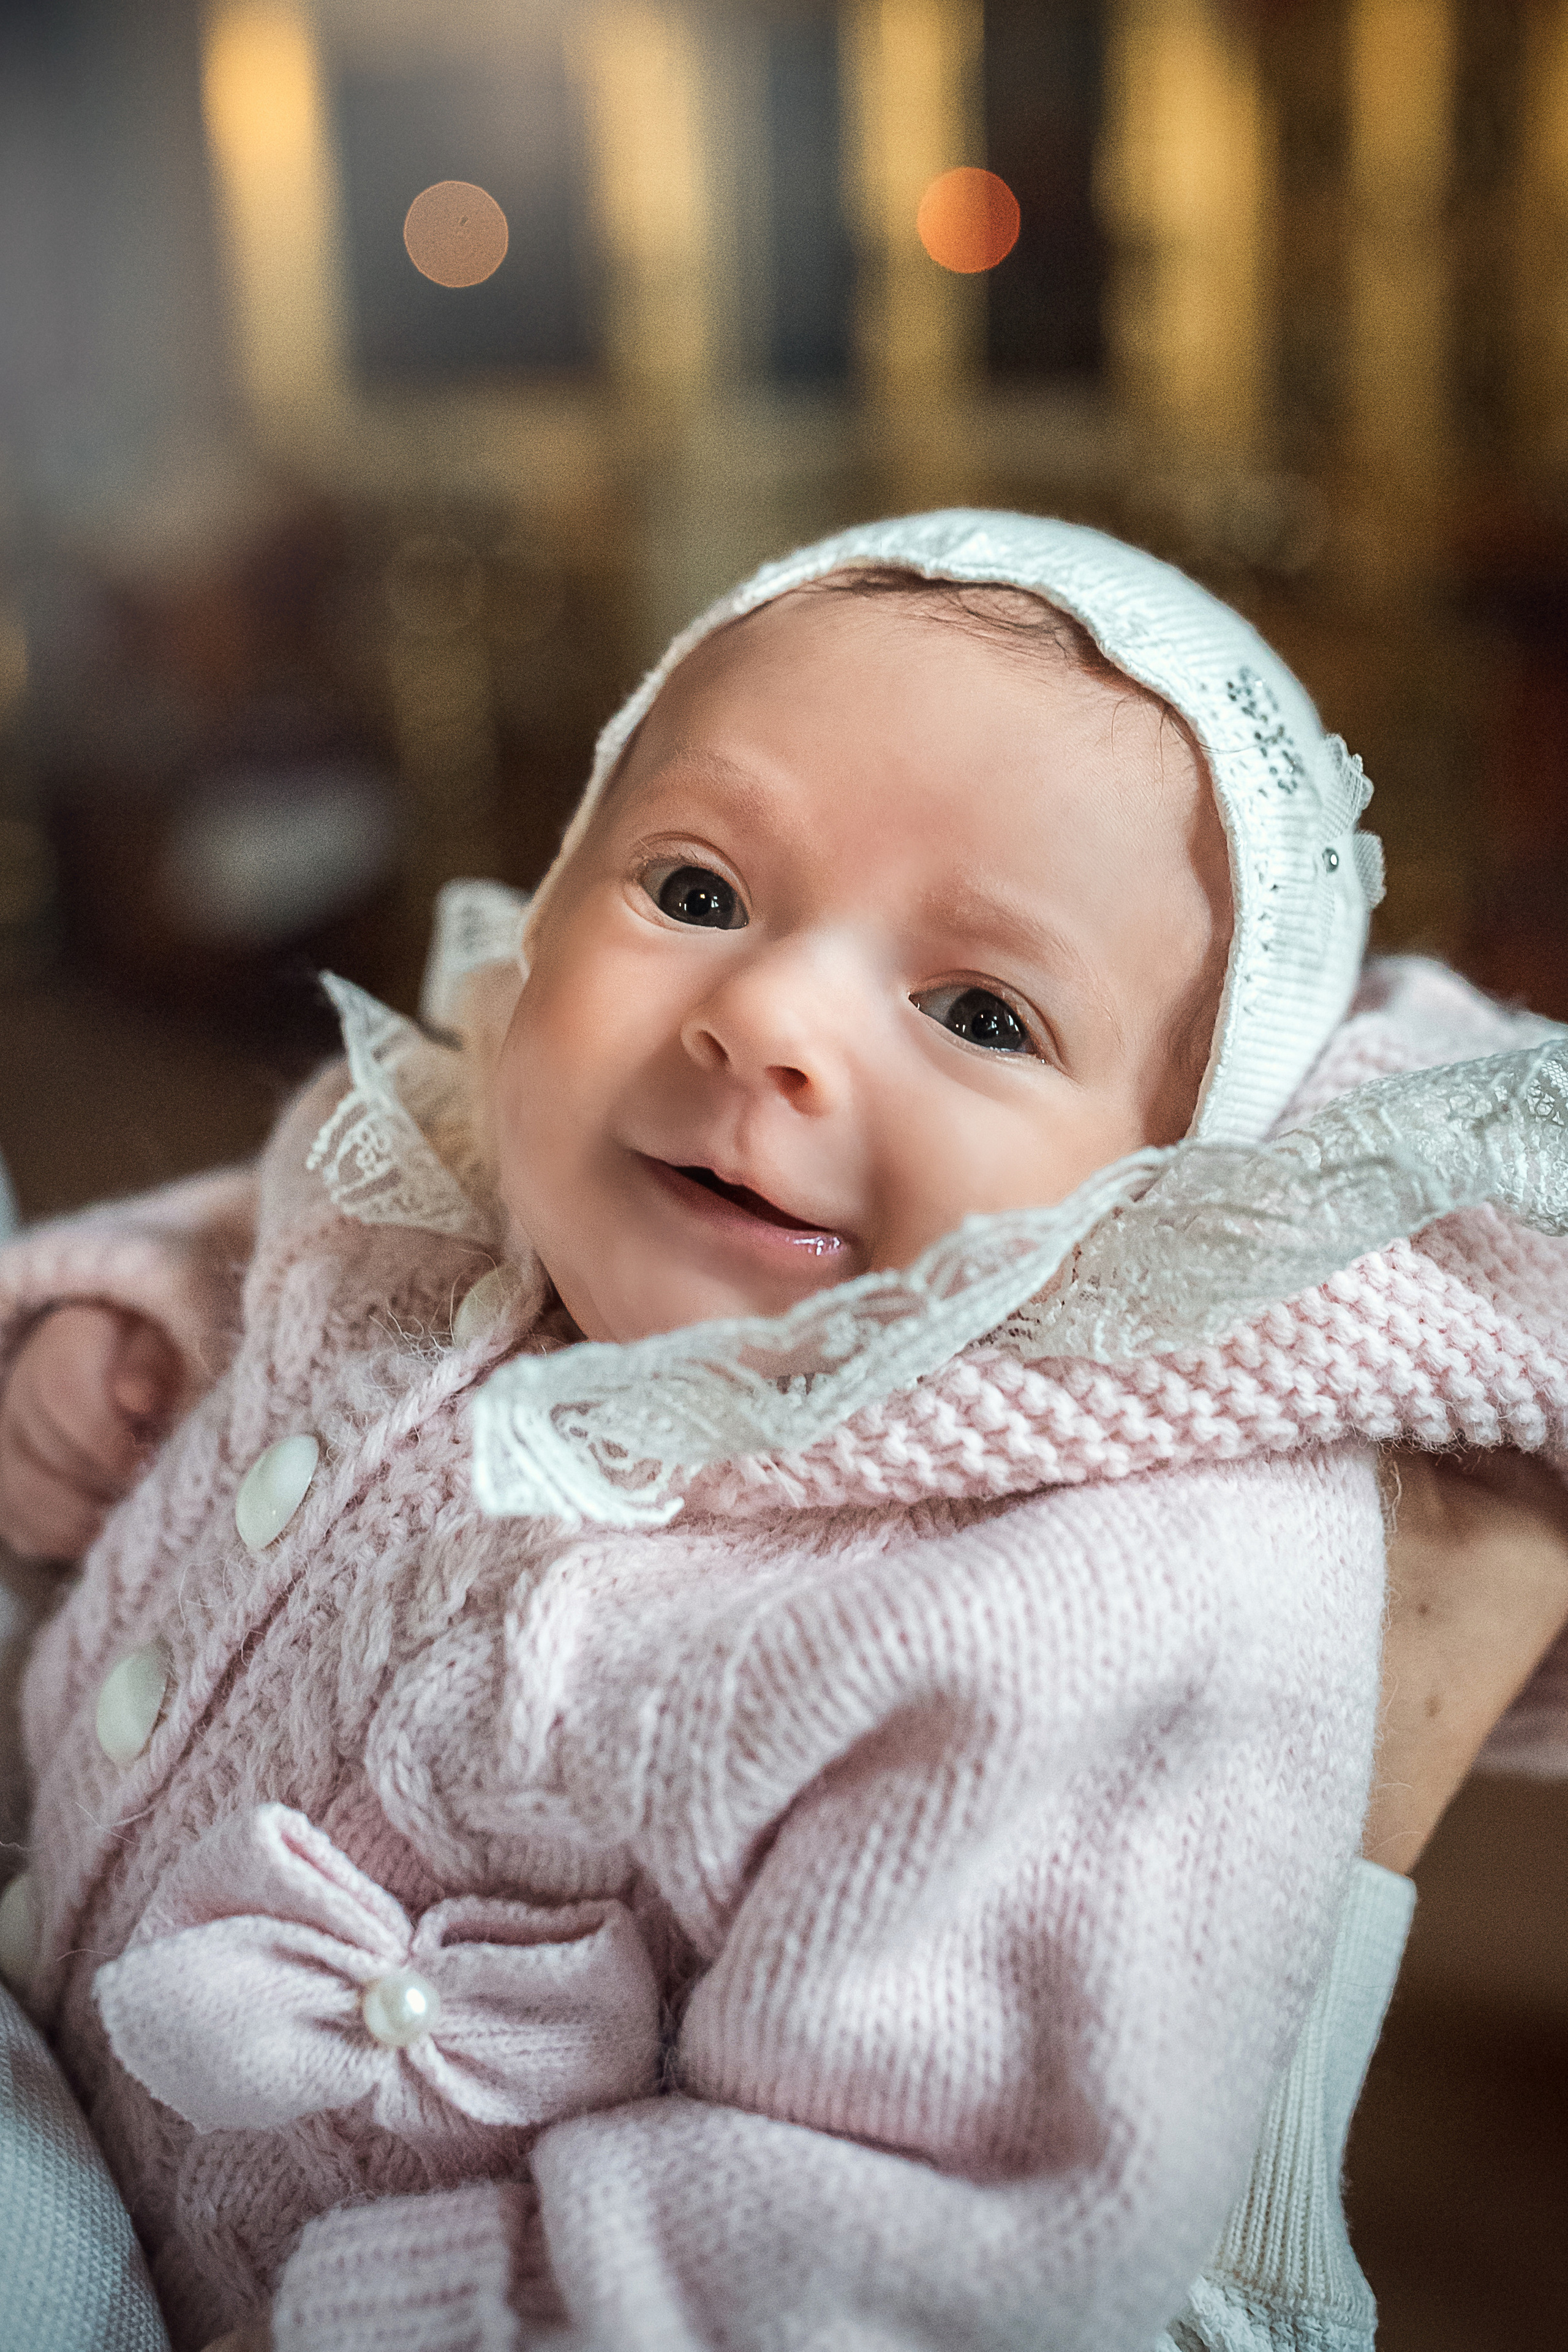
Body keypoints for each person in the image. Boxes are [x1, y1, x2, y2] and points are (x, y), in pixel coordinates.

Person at [1, 511, 1567, 2352]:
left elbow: (906, 2228)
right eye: (695, 893)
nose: (765, 1019)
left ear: (1167, 1191)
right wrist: (120, 1322)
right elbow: (273, 1239)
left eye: (979, 1010)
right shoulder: (448, 1171)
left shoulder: (1083, 1596)